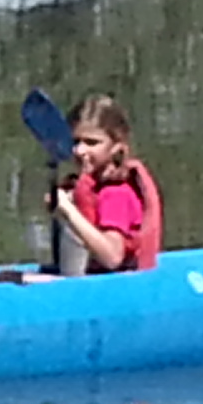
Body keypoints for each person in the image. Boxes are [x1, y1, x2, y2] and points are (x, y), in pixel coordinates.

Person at [47, 93, 164, 276]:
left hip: (113, 284)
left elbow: (113, 257)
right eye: (75, 141)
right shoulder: (94, 187)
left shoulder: (117, 194)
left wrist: (68, 210)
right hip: (89, 280)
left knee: (9, 278)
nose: (80, 150)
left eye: (92, 143)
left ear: (116, 147)